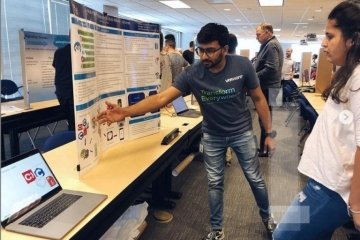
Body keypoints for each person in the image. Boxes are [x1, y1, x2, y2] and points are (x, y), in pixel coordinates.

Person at [97, 22, 277, 240]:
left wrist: (268, 133)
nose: (204, 56)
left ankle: (268, 218)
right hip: (212, 135)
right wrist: (124, 112)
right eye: (201, 50)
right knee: (214, 184)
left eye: (210, 50)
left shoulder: (243, 66)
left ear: (225, 49)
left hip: (242, 132)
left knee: (255, 179)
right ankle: (217, 230)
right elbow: (161, 98)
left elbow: (259, 99)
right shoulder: (193, 73)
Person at [273, 1, 360, 239]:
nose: (323, 43)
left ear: (352, 39)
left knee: (282, 236)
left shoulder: (358, 79)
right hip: (326, 181)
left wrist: (356, 204)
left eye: (330, 36)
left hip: (332, 188)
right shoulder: (348, 72)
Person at [253, 22, 284, 157]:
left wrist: (254, 76)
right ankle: (266, 147)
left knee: (265, 119)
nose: (256, 37)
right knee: (266, 119)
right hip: (272, 87)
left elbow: (271, 68)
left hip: (268, 87)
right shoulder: (269, 44)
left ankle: (265, 149)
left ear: (267, 32)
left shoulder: (271, 45)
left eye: (258, 34)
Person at [52, 43, 75, 131]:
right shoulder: (77, 52)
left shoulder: (58, 52)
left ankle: (71, 135)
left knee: (71, 119)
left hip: (61, 92)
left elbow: (55, 66)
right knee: (74, 121)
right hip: (72, 91)